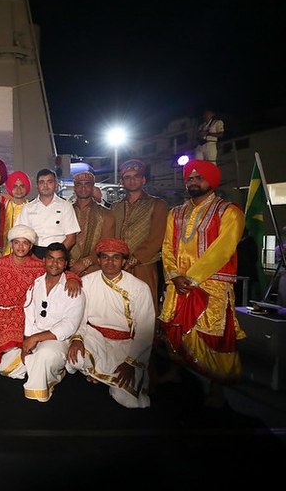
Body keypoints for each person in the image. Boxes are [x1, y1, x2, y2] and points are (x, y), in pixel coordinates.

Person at [159, 159, 245, 407]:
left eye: (199, 178)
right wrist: (174, 275)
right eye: (190, 178)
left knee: (212, 334)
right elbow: (167, 247)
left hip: (211, 284)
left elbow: (223, 249)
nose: (193, 182)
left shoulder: (229, 212)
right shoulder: (175, 213)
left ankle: (216, 386)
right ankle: (176, 371)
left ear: (212, 181)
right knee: (174, 328)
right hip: (177, 283)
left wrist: (192, 277)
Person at [66, 238, 156, 408]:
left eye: (116, 257)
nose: (110, 262)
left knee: (128, 400)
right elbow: (79, 315)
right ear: (99, 260)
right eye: (105, 257)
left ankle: (97, 374)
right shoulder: (87, 281)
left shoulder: (139, 287)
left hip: (126, 345)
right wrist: (77, 339)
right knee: (73, 359)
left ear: (124, 262)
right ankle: (99, 373)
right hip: (95, 338)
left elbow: (146, 329)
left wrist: (130, 362)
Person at [0, 225, 81, 376]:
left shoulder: (38, 265)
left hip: (20, 313)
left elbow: (56, 270)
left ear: (31, 245)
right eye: (16, 242)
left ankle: (45, 366)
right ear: (11, 244)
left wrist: (73, 278)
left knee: (12, 348)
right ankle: (40, 365)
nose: (20, 247)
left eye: (25, 243)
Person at [19, 243, 85, 402]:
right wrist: (27, 341)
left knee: (45, 355)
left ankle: (42, 386)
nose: (54, 264)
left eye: (60, 260)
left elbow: (69, 325)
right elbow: (29, 313)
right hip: (34, 336)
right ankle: (50, 370)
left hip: (57, 340)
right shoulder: (36, 283)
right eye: (50, 259)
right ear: (44, 260)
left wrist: (35, 338)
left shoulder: (73, 288)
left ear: (66, 263)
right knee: (7, 365)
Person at [110, 159, 168, 315]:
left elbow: (157, 238)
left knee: (145, 308)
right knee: (118, 307)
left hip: (144, 265)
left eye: (136, 176)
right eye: (127, 177)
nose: (132, 180)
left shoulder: (157, 205)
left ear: (143, 179)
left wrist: (133, 260)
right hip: (118, 265)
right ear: (122, 181)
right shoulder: (115, 206)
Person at [17, 168, 80, 258]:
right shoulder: (27, 208)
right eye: (42, 182)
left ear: (56, 184)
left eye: (49, 182)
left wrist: (56, 256)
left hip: (58, 253)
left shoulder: (66, 206)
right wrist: (31, 256)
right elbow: (21, 235)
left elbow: (71, 238)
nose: (45, 185)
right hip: (32, 253)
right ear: (37, 185)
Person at [69, 170, 115, 276]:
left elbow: (106, 245)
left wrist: (86, 262)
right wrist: (68, 261)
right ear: (74, 188)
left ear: (93, 187)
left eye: (87, 184)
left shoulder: (106, 214)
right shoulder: (66, 211)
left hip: (95, 270)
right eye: (79, 184)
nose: (83, 188)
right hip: (68, 268)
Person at [1, 171, 33, 256]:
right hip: (4, 252)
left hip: (26, 253)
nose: (18, 190)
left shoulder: (32, 208)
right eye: (15, 186)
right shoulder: (3, 206)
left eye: (22, 186)